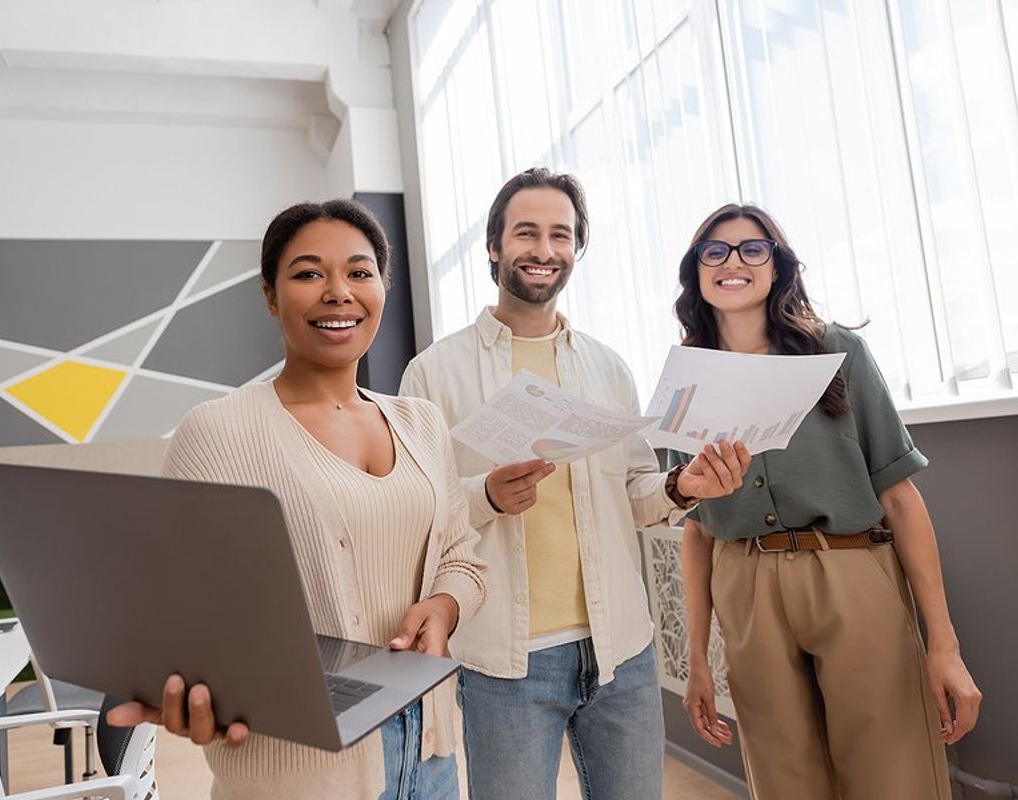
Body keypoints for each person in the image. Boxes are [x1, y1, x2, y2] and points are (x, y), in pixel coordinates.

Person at [107, 199, 487, 800]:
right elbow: (170, 606)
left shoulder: (421, 423)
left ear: (383, 288)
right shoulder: (218, 431)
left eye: (359, 272)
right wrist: (184, 680)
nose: (339, 292)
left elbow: (462, 555)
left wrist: (443, 608)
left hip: (429, 751)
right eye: (309, 273)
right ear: (270, 295)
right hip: (300, 772)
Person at [399, 168, 750, 800]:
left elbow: (636, 493)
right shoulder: (433, 373)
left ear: (575, 251)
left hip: (621, 652)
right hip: (503, 662)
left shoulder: (606, 367)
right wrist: (485, 496)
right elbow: (412, 513)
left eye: (560, 235)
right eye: (526, 233)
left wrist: (682, 485)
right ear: (493, 247)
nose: (543, 249)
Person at [673, 203, 982, 800]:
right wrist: (698, 659)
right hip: (746, 586)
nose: (732, 262)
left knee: (893, 775)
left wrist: (944, 645)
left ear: (778, 265)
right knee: (783, 779)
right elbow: (695, 528)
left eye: (751, 248)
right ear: (696, 271)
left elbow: (899, 495)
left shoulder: (837, 352)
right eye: (714, 251)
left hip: (850, 571)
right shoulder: (685, 381)